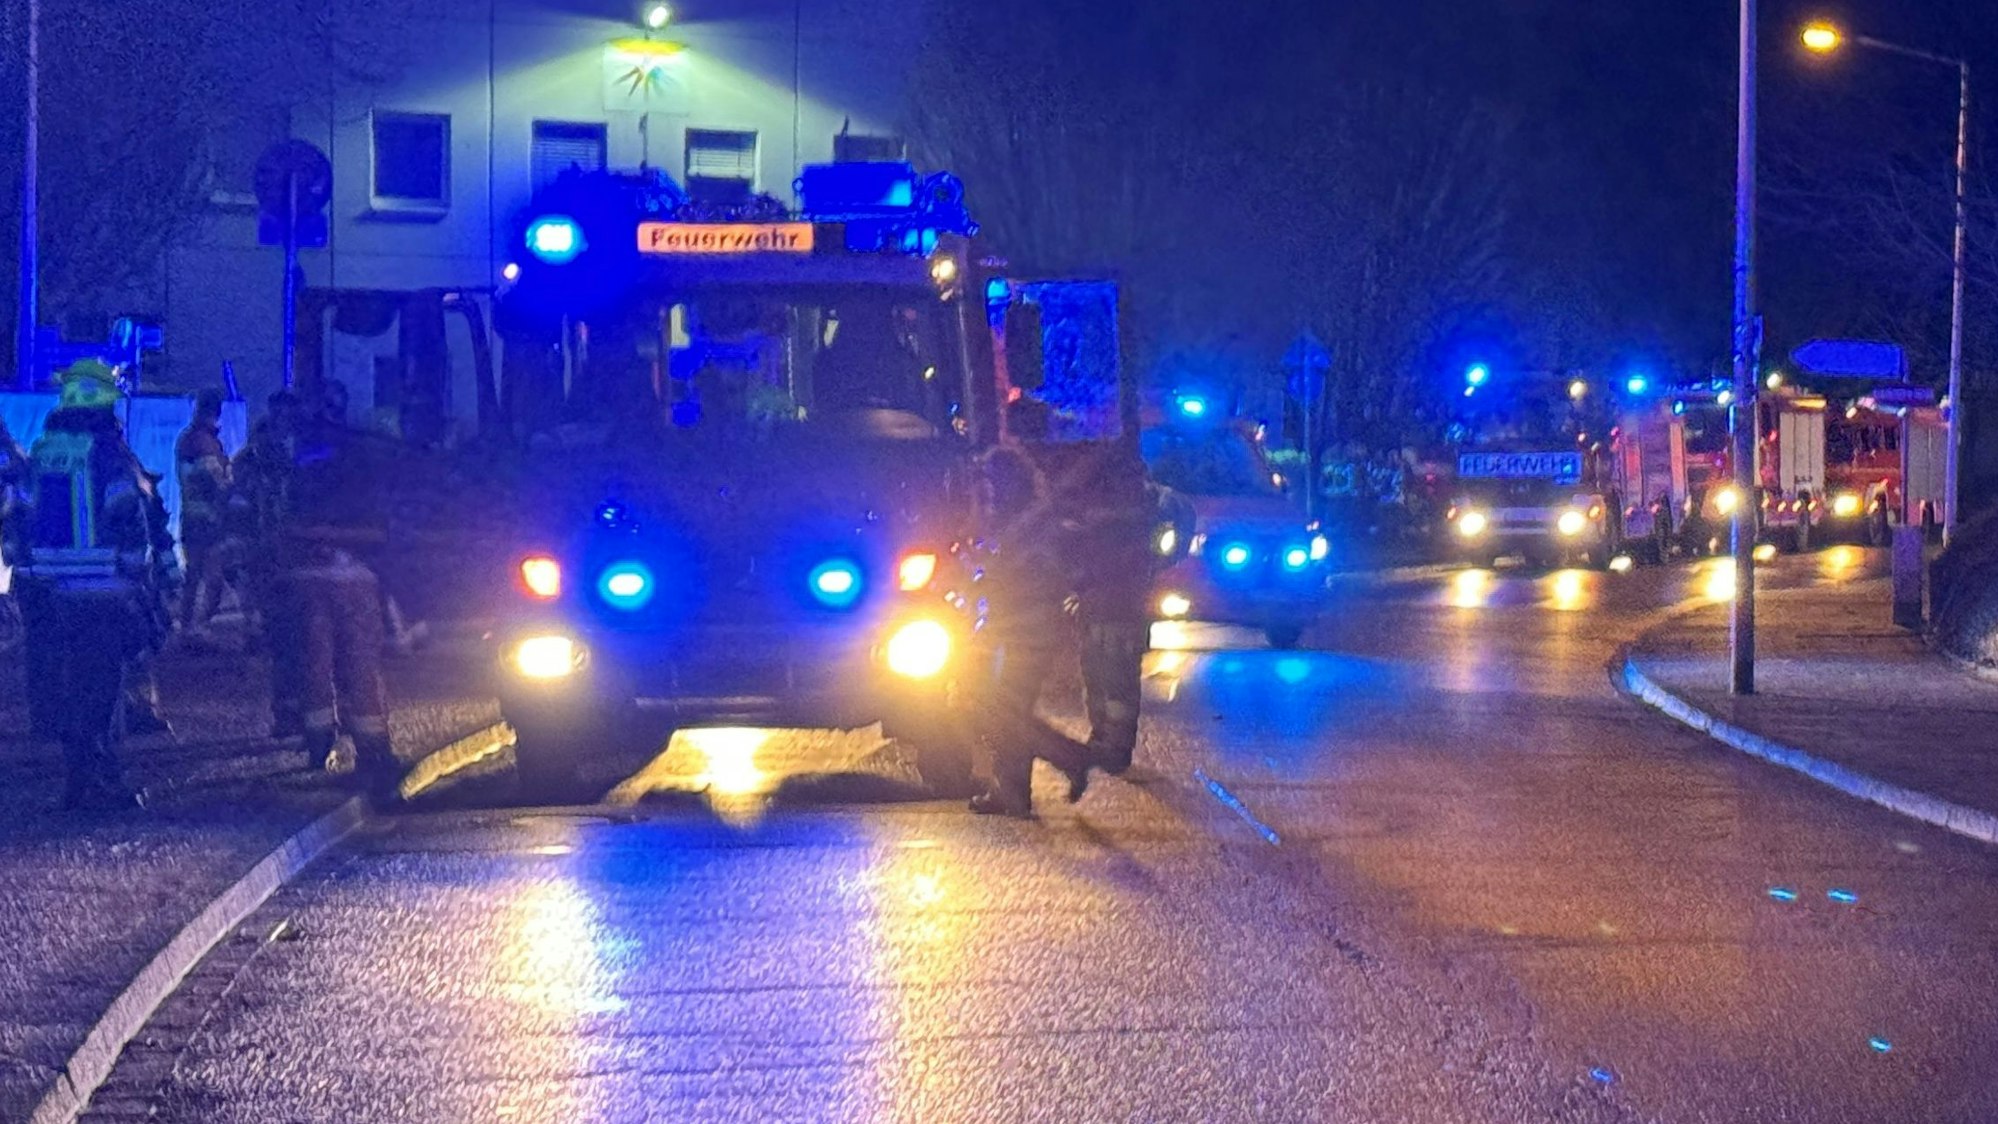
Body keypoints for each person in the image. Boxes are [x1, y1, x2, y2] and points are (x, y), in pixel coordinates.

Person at [7, 360, 175, 811]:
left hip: (47, 592)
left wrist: (26, 574)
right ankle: (94, 780)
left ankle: (80, 777)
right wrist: (144, 580)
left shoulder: (42, 452)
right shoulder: (108, 454)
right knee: (99, 689)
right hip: (101, 592)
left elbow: (17, 519)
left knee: (64, 686)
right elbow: (128, 518)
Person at [274, 384, 398, 801]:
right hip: (355, 575)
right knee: (360, 662)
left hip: (306, 575)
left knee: (313, 658)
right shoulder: (362, 457)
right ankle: (373, 749)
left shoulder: (294, 459)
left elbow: (280, 519)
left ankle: (318, 740)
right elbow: (380, 523)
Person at [966, 445, 1094, 818]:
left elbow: (1027, 574)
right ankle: (1014, 794)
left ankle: (1070, 757)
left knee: (998, 710)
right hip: (1024, 625)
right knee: (1007, 709)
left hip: (1028, 628)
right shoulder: (1020, 518)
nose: (986, 492)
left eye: (990, 483)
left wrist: (987, 579)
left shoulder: (1027, 522)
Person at [175, 388, 231, 637]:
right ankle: (197, 626)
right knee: (211, 577)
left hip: (191, 518)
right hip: (208, 520)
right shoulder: (204, 443)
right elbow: (215, 480)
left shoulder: (188, 439)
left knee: (194, 576)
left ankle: (189, 624)